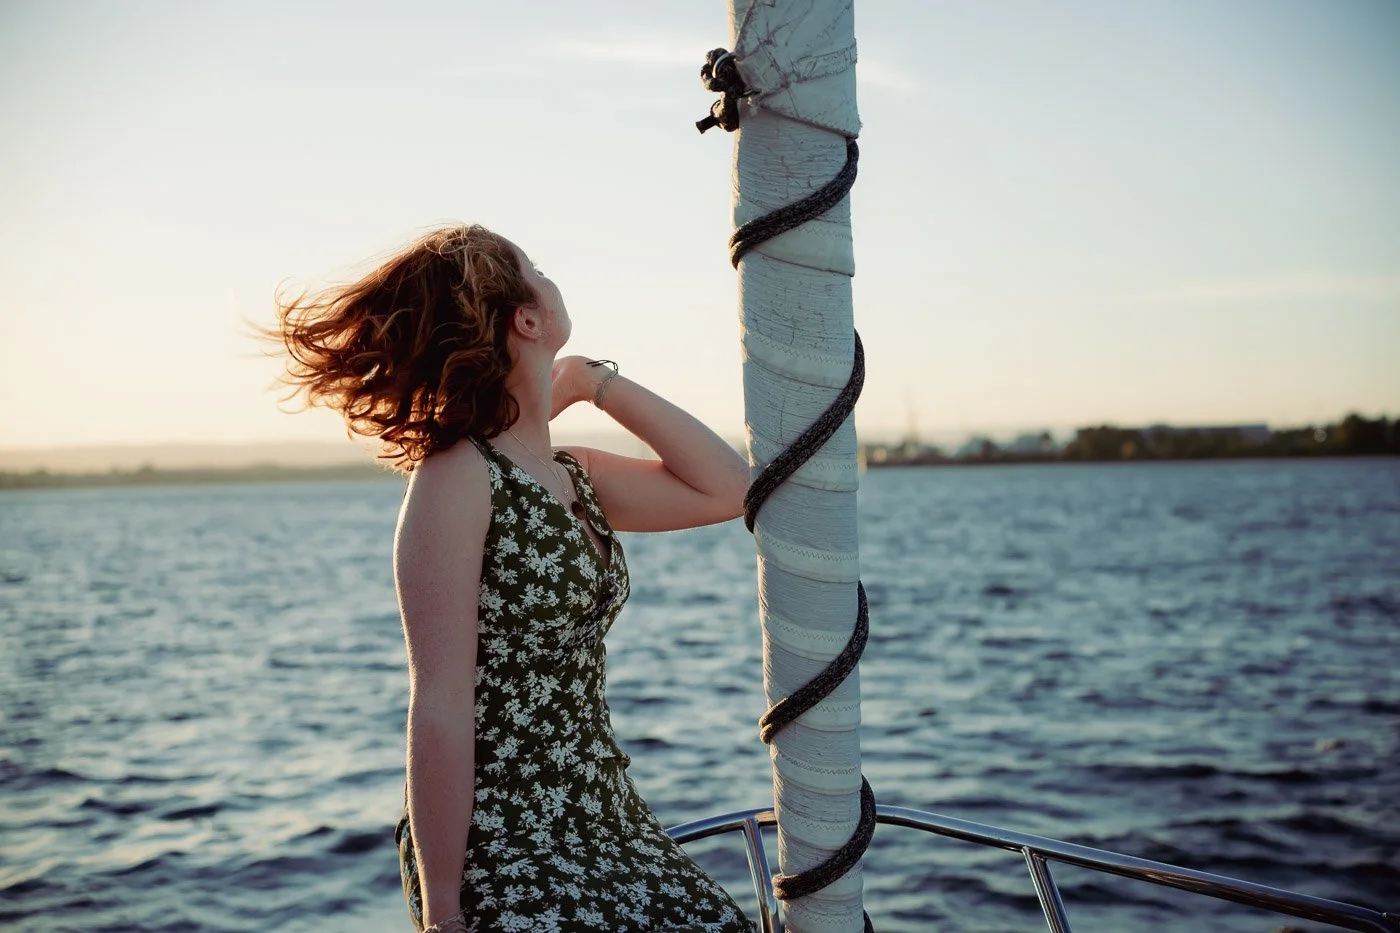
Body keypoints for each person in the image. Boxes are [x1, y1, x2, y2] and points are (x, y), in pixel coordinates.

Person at [270, 224, 753, 932]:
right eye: (538, 269)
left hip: (605, 813)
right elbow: (439, 700)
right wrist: (441, 908)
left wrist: (594, 382)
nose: (552, 278)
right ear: (526, 318)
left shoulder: (573, 475)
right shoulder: (456, 476)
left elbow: (731, 488)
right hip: (503, 835)